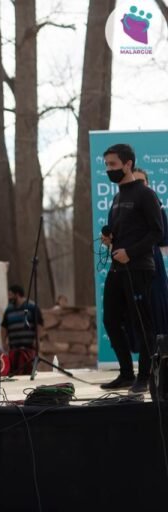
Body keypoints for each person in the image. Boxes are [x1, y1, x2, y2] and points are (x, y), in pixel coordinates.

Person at [99, 145, 163, 393]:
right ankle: (126, 373)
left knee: (142, 323)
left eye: (113, 165)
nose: (109, 170)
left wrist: (131, 252)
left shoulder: (145, 194)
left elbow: (157, 232)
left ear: (128, 164)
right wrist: (110, 240)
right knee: (111, 320)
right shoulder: (117, 198)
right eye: (106, 165)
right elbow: (121, 233)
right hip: (117, 268)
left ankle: (145, 377)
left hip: (139, 268)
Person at [132, 168, 168, 340]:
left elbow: (164, 239)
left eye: (142, 182)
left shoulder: (158, 207)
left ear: (148, 184)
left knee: (156, 306)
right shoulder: (123, 207)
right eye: (135, 182)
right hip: (131, 267)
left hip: (153, 266)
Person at [1, 284, 44, 375]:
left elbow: (39, 325)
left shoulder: (32, 307)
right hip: (14, 349)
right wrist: (4, 342)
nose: (9, 297)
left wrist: (37, 339)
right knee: (15, 373)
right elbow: (4, 327)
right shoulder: (9, 310)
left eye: (10, 295)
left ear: (17, 294)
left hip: (28, 349)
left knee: (27, 372)